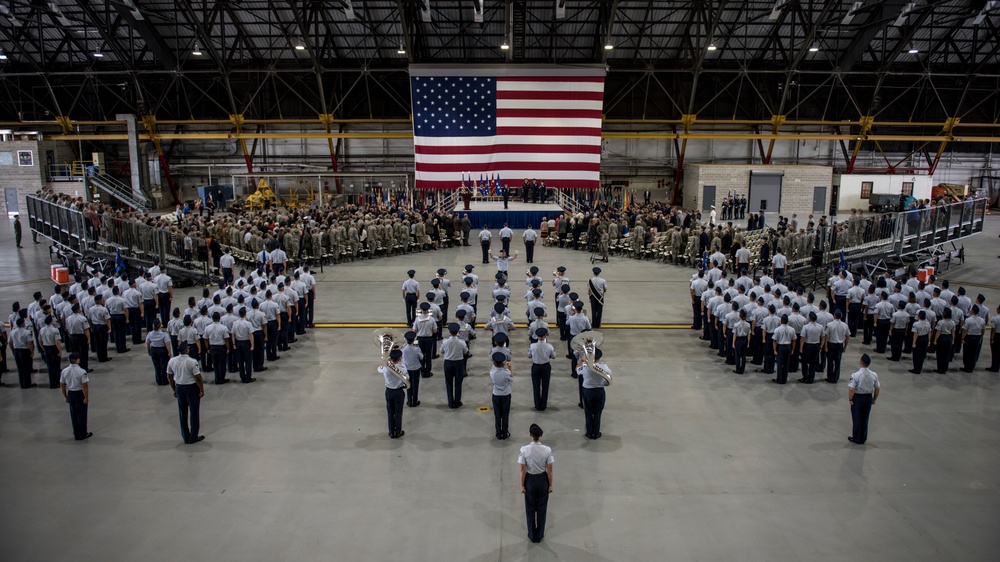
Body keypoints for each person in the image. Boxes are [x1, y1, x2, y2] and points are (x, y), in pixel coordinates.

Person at [518, 423, 554, 544]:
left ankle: (532, 535)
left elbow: (522, 470)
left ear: (530, 435)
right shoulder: (547, 450)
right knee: (542, 509)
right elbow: (550, 470)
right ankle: (540, 534)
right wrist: (550, 485)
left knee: (530, 509)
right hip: (543, 479)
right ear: (541, 436)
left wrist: (522, 485)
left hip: (530, 480)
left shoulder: (524, 449)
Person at [167, 342, 205, 444]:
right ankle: (193, 437)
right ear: (187, 350)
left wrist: (174, 389)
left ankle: (185, 436)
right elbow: (198, 378)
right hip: (191, 388)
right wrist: (201, 389)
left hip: (179, 387)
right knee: (194, 412)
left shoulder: (172, 361)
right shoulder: (192, 361)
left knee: (182, 413)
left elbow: (169, 376)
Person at [578, 348, 611, 439]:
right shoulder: (603, 366)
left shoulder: (585, 366)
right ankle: (596, 433)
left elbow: (577, 370)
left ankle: (589, 432)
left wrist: (582, 360)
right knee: (598, 413)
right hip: (599, 390)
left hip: (587, 391)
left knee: (588, 412)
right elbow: (609, 375)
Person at [848, 354, 880, 444]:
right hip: (868, 397)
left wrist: (850, 399)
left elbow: (851, 389)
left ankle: (856, 438)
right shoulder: (874, 374)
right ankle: (863, 437)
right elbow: (877, 388)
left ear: (860, 362)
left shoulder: (856, 375)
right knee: (865, 418)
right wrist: (874, 399)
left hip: (858, 398)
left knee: (857, 418)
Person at [59, 353, 91, 440]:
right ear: (77, 360)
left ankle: (76, 433)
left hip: (71, 393)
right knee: (82, 414)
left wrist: (65, 396)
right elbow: (84, 386)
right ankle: (83, 433)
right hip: (79, 393)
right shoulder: (81, 371)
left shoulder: (64, 371)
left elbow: (62, 385)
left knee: (74, 414)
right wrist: (86, 398)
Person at [440, 322, 468, 408]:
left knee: (449, 383)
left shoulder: (445, 342)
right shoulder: (462, 342)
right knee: (458, 383)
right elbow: (466, 352)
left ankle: (450, 402)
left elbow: (441, 351)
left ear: (449, 332)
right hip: (459, 363)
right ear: (458, 332)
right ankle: (457, 402)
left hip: (448, 363)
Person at [380, 349, 407, 438]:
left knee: (390, 412)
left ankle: (391, 431)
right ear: (399, 359)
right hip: (398, 391)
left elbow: (379, 369)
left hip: (389, 391)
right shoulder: (402, 368)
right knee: (398, 412)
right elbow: (407, 378)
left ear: (390, 358)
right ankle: (398, 431)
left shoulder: (386, 368)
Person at [528, 327, 556, 411]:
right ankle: (543, 405)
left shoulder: (532, 346)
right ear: (545, 336)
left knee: (536, 386)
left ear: (536, 336)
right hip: (545, 367)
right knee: (545, 386)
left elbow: (529, 356)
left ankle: (537, 405)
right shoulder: (549, 346)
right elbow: (553, 356)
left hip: (536, 366)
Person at [490, 351, 513, 440]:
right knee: (505, 414)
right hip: (506, 394)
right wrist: (510, 368)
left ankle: (498, 432)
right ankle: (505, 432)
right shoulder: (506, 372)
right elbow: (511, 379)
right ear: (503, 362)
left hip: (496, 394)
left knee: (497, 414)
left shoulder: (492, 373)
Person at [822, 310, 850, 383]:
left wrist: (825, 347)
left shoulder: (830, 325)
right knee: (838, 362)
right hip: (840, 345)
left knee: (830, 362)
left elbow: (826, 336)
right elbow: (847, 336)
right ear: (841, 316)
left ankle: (830, 377)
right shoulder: (845, 325)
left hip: (831, 344)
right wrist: (845, 346)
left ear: (834, 315)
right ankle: (836, 377)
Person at [8, 317, 36, 388]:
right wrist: (32, 352)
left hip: (17, 351)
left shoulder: (12, 332)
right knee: (27, 368)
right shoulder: (27, 332)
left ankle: (22, 384)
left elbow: (10, 343)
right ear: (22, 323)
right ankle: (27, 384)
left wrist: (13, 350)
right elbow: (30, 343)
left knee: (20, 368)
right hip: (25, 351)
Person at [145, 318, 172, 385]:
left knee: (156, 366)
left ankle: (158, 380)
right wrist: (169, 352)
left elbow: (147, 343)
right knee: (163, 366)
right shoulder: (164, 334)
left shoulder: (150, 334)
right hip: (162, 350)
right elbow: (167, 343)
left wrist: (148, 351)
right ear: (160, 325)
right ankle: (164, 380)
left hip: (154, 350)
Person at [960, 305, 986, 372]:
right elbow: (983, 330)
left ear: (972, 311)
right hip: (977, 337)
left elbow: (965, 330)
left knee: (967, 353)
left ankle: (967, 366)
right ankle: (972, 366)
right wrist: (981, 337)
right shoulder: (982, 320)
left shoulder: (968, 320)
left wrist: (962, 338)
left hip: (969, 337)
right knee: (974, 353)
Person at [39, 315, 62, 388]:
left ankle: (52, 383)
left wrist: (43, 349)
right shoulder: (55, 330)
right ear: (51, 321)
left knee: (49, 366)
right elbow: (57, 342)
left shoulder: (42, 330)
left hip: (46, 347)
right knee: (56, 366)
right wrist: (59, 351)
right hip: (53, 348)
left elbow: (40, 341)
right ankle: (57, 382)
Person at [401, 331, 423, 407]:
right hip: (415, 368)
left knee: (408, 385)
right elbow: (421, 357)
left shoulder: (404, 348)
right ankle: (415, 401)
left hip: (407, 368)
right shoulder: (416, 349)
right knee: (415, 385)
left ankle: (409, 401)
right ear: (413, 340)